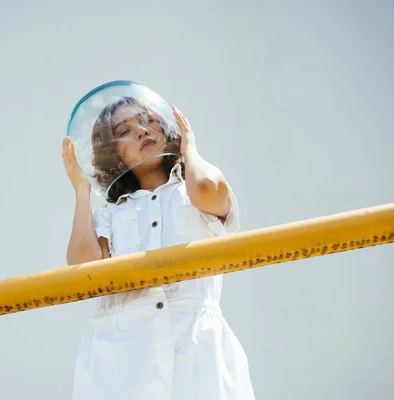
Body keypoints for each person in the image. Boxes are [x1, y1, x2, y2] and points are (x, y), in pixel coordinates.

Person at [62, 96, 255, 400]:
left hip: (195, 349)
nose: (141, 130)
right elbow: (82, 270)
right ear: (114, 154)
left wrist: (188, 147)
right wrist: (82, 191)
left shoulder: (192, 190)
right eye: (124, 131)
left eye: (150, 120)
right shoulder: (110, 215)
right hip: (122, 359)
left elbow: (207, 188)